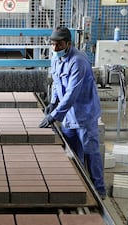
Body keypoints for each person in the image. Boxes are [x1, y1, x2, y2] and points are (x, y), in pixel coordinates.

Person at [39, 27, 106, 199]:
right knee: (72, 152)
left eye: (58, 45)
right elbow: (56, 82)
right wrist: (53, 101)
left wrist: (54, 115)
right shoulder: (55, 58)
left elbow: (71, 94)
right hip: (68, 116)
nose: (54, 48)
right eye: (52, 44)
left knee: (90, 152)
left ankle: (99, 190)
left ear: (68, 44)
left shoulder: (78, 61)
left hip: (84, 114)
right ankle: (79, 185)